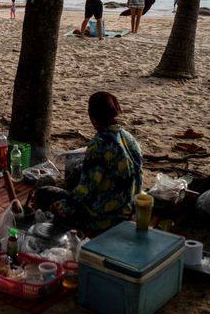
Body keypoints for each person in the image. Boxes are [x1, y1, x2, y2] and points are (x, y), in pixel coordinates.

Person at [33, 91, 143, 232]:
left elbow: (87, 187)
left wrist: (63, 206)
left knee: (43, 194)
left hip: (104, 218)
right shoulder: (130, 139)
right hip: (128, 209)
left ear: (93, 118)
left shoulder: (99, 143)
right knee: (78, 171)